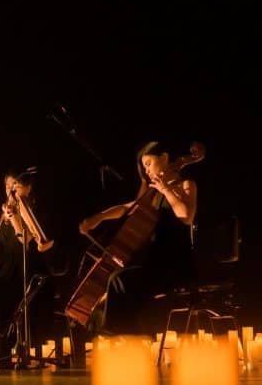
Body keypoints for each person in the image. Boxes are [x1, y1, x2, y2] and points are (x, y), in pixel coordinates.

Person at [76, 140, 199, 338]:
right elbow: (126, 208)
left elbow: (186, 216)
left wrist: (166, 189)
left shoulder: (186, 185)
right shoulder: (152, 196)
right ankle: (128, 335)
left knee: (120, 279)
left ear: (165, 158)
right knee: (116, 283)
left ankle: (125, 336)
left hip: (176, 263)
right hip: (155, 262)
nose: (147, 171)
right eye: (144, 167)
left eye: (149, 163)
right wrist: (98, 218)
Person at [0, 169, 59, 364]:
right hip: (8, 269)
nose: (10, 190)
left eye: (15, 186)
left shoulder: (34, 212)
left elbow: (25, 242)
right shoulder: (4, 216)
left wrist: (14, 218)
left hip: (29, 269)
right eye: (8, 186)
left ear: (28, 188)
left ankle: (7, 348)